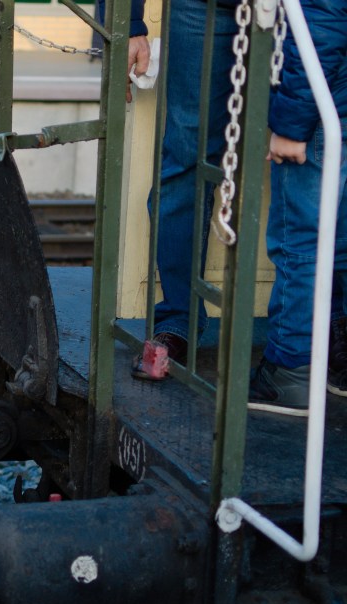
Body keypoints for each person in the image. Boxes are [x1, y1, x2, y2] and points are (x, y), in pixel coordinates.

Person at [247, 0, 347, 415]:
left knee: (300, 242)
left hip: (325, 111)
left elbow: (320, 24)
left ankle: (290, 371)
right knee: (338, 241)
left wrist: (290, 125)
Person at [132, 0, 238, 378]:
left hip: (307, 10)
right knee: (184, 157)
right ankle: (179, 318)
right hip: (204, 7)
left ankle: (327, 326)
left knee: (314, 159)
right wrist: (129, 24)